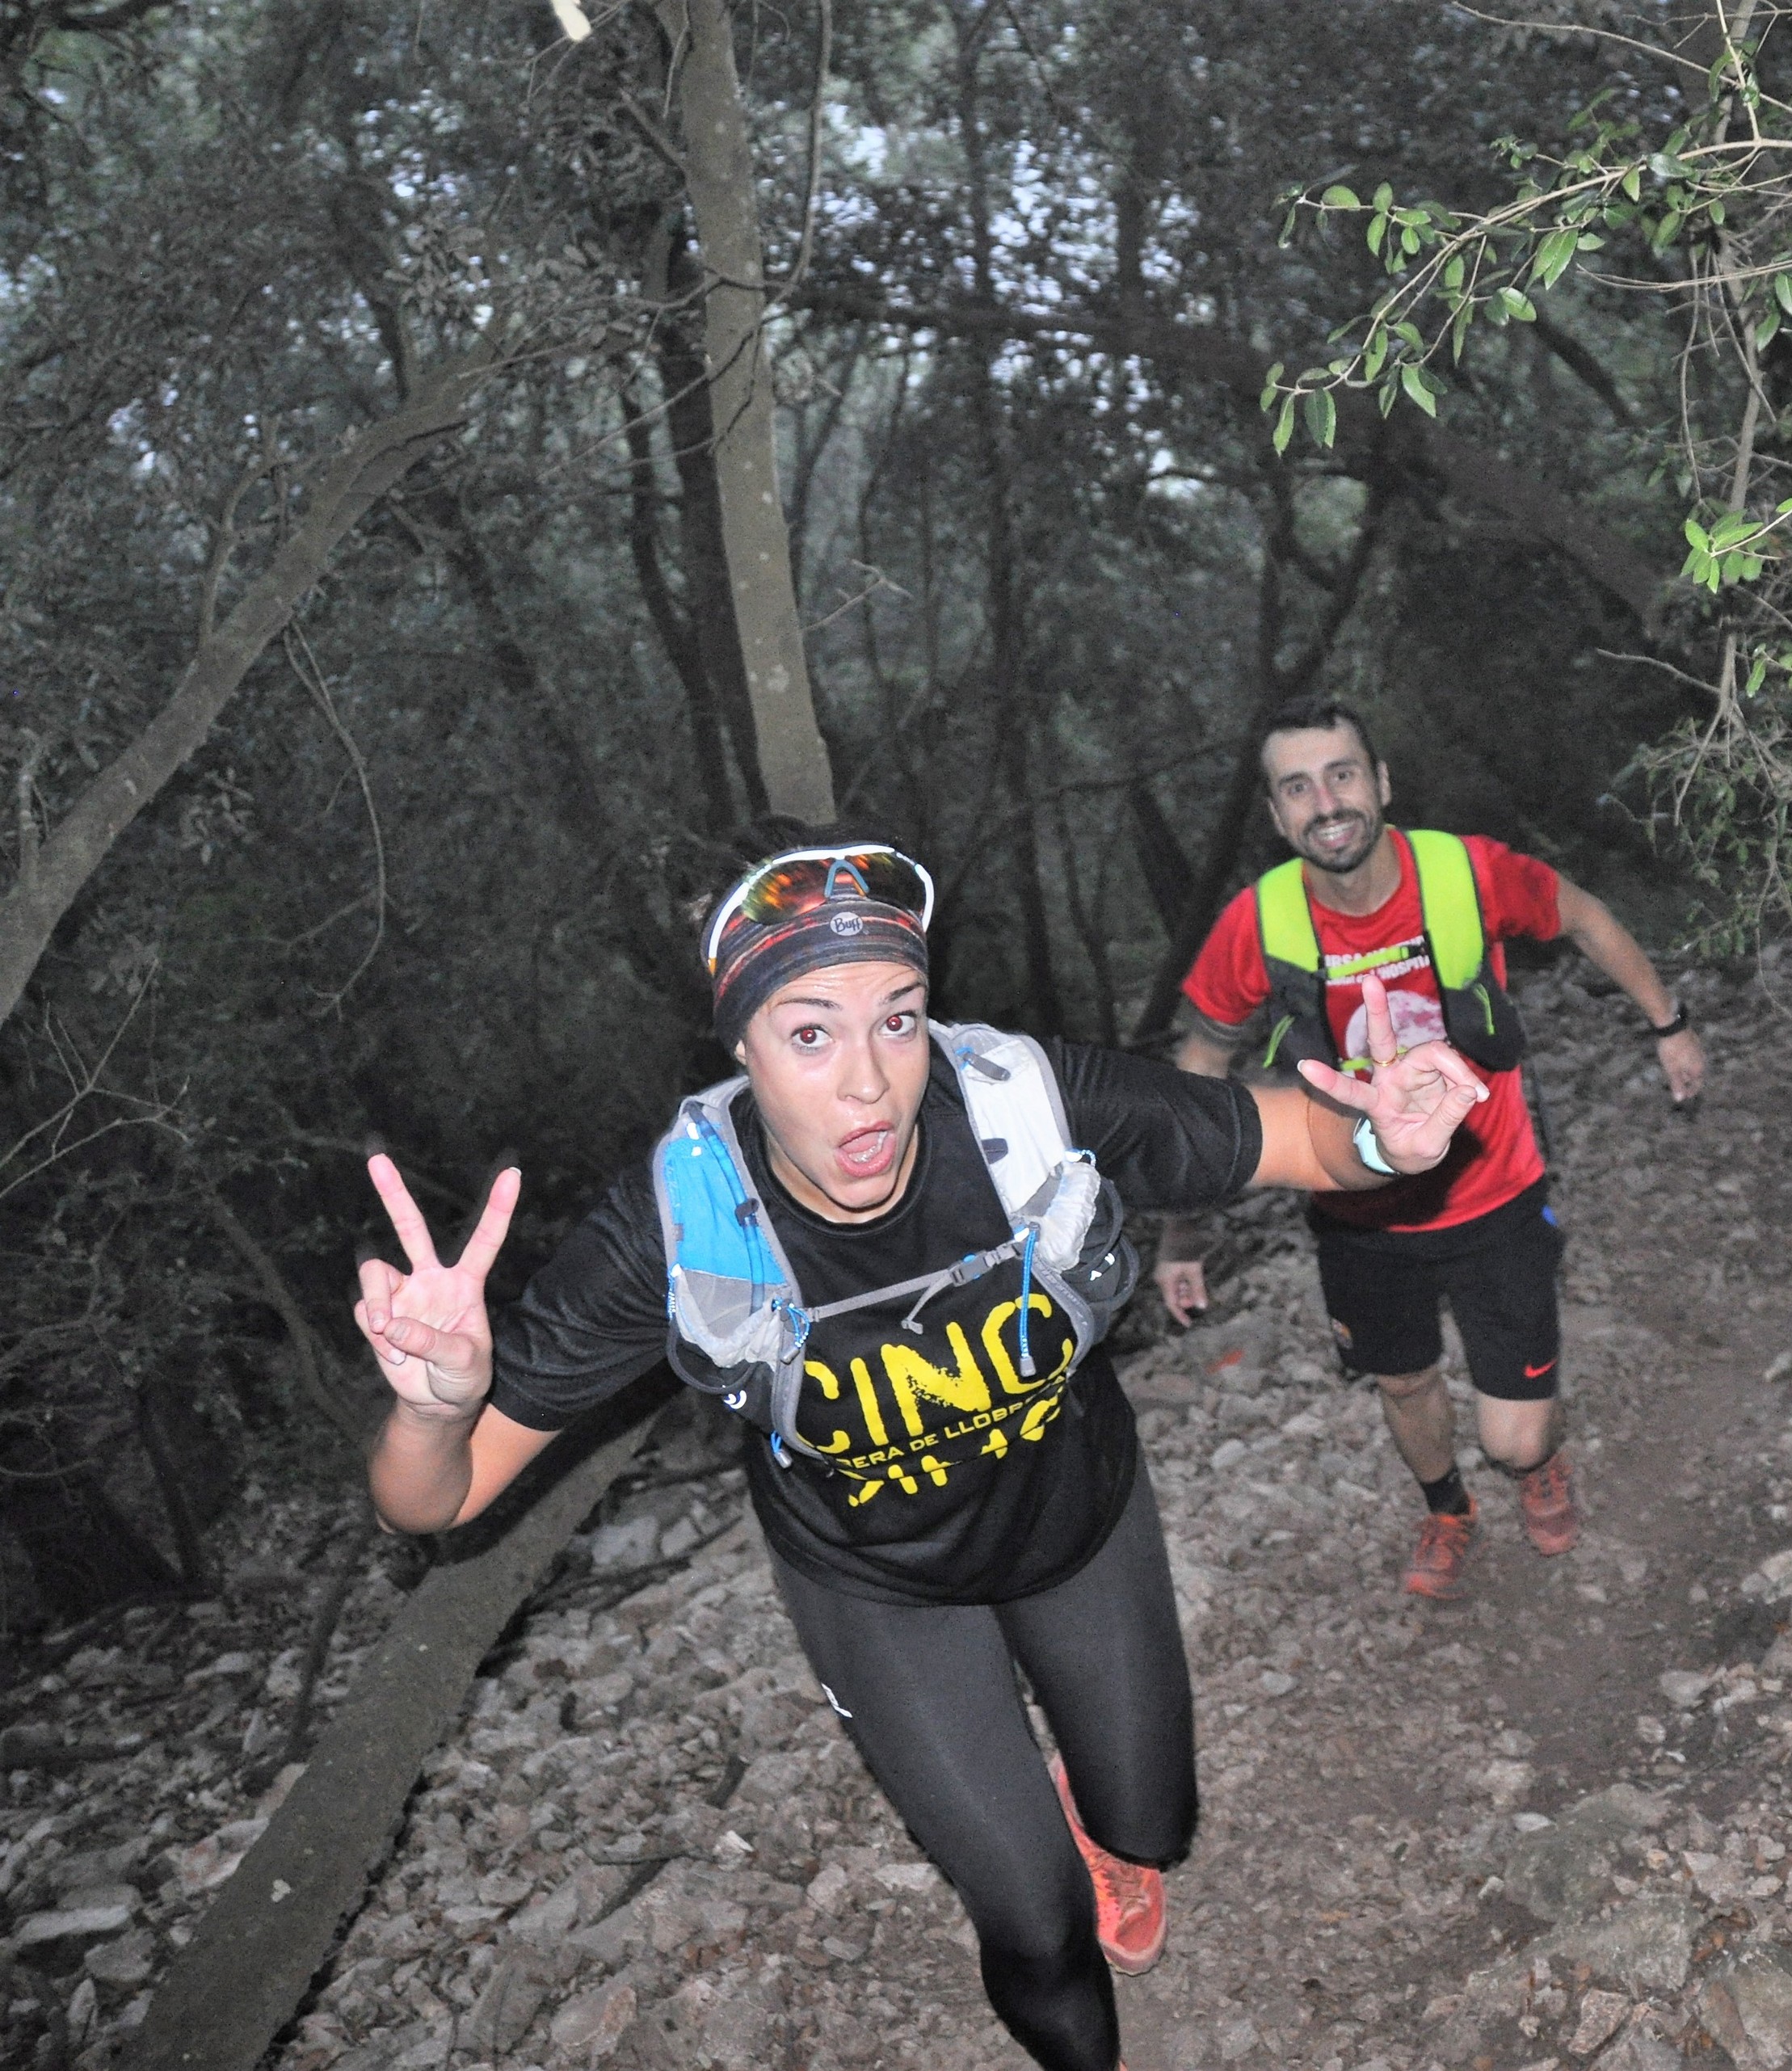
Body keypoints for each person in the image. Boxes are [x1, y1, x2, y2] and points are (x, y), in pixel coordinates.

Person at [352, 836, 1487, 2071]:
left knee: (1152, 1820)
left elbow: (1300, 1139)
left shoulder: (1018, 1105)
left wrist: (1390, 1139)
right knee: (1034, 1918)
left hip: (1077, 1520)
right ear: (739, 1048)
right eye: (809, 1033)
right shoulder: (677, 1223)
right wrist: (435, 1407)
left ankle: (1101, 1818)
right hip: (879, 1585)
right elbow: (434, 1499)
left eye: (896, 1018)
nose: (868, 1083)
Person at [1156, 698, 1706, 1599]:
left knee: (1514, 1439)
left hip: (1496, 1192)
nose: (1325, 803)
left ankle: (1538, 1463)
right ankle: (1446, 1507)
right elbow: (1200, 1069)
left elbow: (1582, 917)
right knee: (1404, 1382)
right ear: (1276, 815)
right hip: (1356, 1216)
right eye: (1297, 787)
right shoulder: (1257, 922)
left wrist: (1668, 1022)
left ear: (1380, 782)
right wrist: (1181, 1231)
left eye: (1341, 775)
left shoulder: (1464, 872)